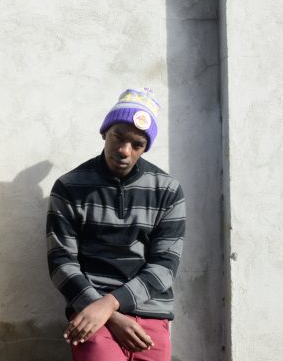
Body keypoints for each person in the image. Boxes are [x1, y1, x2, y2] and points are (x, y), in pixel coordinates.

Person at [46, 88, 185, 361]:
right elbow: (61, 262)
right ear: (104, 132)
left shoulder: (167, 190)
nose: (124, 151)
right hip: (90, 313)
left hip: (149, 313)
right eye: (118, 137)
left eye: (137, 144)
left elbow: (165, 266)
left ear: (145, 147)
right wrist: (106, 313)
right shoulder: (70, 187)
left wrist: (110, 304)